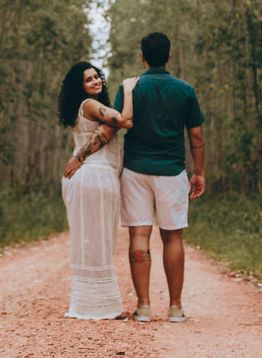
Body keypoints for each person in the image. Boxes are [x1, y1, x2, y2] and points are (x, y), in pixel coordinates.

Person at [66, 33, 206, 323]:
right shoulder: (185, 90)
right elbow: (196, 135)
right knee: (173, 236)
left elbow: (111, 129)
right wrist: (199, 171)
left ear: (143, 56)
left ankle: (143, 306)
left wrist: (79, 157)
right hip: (172, 171)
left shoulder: (132, 88)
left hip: (135, 171)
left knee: (139, 235)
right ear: (169, 56)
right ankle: (176, 307)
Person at [57, 61, 136, 319]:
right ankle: (98, 305)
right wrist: (130, 91)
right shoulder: (89, 105)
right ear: (80, 87)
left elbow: (110, 126)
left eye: (97, 76)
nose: (96, 81)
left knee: (91, 241)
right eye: (89, 79)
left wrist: (79, 157)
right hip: (94, 176)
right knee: (97, 241)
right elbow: (123, 120)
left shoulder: (82, 110)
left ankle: (90, 302)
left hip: (86, 177)